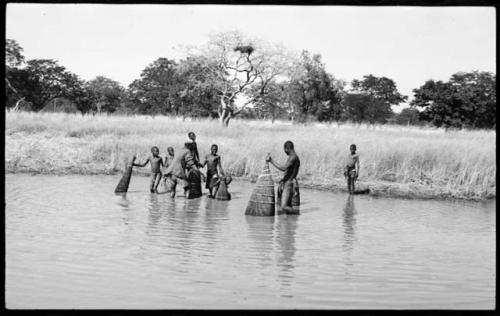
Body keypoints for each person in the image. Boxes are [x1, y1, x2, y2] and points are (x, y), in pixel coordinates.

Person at [266, 140, 301, 215]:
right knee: (287, 207)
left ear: (286, 149)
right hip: (289, 182)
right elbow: (289, 172)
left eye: (284, 150)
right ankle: (292, 223)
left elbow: (283, 168)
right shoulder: (295, 157)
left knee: (284, 206)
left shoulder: (293, 157)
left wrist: (271, 160)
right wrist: (283, 180)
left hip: (289, 184)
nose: (285, 152)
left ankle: (297, 214)